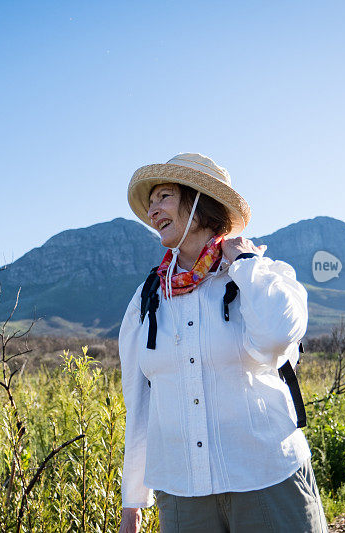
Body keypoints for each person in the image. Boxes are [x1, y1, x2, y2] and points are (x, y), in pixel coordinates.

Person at [118, 153, 328, 533]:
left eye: (163, 196)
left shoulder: (260, 275)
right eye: (150, 203)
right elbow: (141, 400)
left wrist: (245, 263)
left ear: (199, 200)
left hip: (265, 477)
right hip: (182, 493)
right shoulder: (148, 298)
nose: (153, 210)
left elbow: (280, 334)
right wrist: (133, 500)